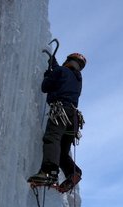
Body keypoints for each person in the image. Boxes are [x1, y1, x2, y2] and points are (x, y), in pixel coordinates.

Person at [27, 53, 86, 193]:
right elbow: (61, 73)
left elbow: (45, 87)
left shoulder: (61, 71)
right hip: (74, 118)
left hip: (61, 111)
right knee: (61, 152)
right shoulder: (78, 78)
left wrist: (48, 75)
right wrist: (53, 64)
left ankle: (49, 172)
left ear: (68, 61)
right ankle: (73, 172)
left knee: (52, 138)